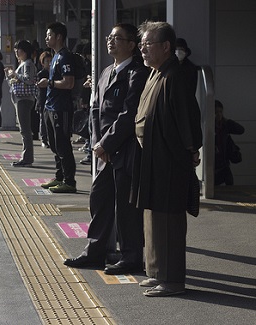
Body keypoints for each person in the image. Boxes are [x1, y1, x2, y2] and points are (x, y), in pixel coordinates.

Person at [64, 23, 148, 275]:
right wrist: (98, 144)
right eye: (109, 37)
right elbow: (95, 110)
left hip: (126, 150)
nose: (111, 41)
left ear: (132, 44)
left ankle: (131, 256)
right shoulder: (105, 72)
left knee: (126, 206)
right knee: (99, 201)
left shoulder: (137, 73)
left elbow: (129, 113)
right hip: (103, 151)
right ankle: (96, 252)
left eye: (117, 38)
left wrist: (106, 143)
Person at [132, 21, 202, 297]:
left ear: (165, 47)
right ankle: (156, 271)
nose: (143, 49)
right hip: (153, 158)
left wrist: (191, 150)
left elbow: (188, 119)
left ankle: (172, 279)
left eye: (147, 44)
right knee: (152, 217)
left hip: (169, 161)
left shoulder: (175, 76)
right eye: (142, 44)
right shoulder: (156, 73)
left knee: (169, 222)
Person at [37, 22, 78, 193]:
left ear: (59, 37)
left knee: (62, 144)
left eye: (49, 35)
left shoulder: (65, 57)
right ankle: (59, 176)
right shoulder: (54, 56)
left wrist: (50, 83)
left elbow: (69, 83)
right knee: (53, 143)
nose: (46, 38)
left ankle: (69, 181)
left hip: (61, 107)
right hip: (50, 106)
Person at [6, 40, 38, 167]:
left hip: (24, 99)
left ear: (25, 51)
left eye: (18, 50)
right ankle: (26, 156)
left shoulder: (28, 64)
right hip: (21, 99)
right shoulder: (24, 64)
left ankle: (27, 158)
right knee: (24, 129)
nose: (16, 52)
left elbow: (29, 80)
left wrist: (15, 74)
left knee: (25, 130)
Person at [215, 100, 244, 185]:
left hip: (224, 164)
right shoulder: (208, 126)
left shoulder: (225, 125)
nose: (219, 114)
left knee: (230, 184)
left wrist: (227, 121)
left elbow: (241, 130)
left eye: (220, 111)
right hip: (212, 164)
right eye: (216, 112)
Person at [36, 51, 52, 148]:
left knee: (50, 120)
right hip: (42, 99)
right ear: (42, 63)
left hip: (51, 99)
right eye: (47, 61)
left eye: (50, 60)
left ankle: (50, 138)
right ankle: (44, 139)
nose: (49, 63)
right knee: (43, 120)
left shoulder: (54, 72)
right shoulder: (41, 74)